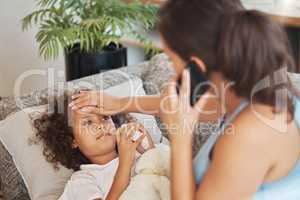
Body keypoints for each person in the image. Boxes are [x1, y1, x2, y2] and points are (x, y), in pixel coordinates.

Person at [69, 0, 300, 199]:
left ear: (195, 66)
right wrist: (120, 103)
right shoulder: (244, 92)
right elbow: (177, 105)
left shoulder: (252, 133)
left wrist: (180, 138)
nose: (171, 68)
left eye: (170, 59)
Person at [33, 94, 155, 200]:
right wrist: (125, 163)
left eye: (105, 117)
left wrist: (148, 150)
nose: (101, 125)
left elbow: (162, 174)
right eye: (88, 122)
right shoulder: (82, 180)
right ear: (72, 140)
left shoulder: (136, 153)